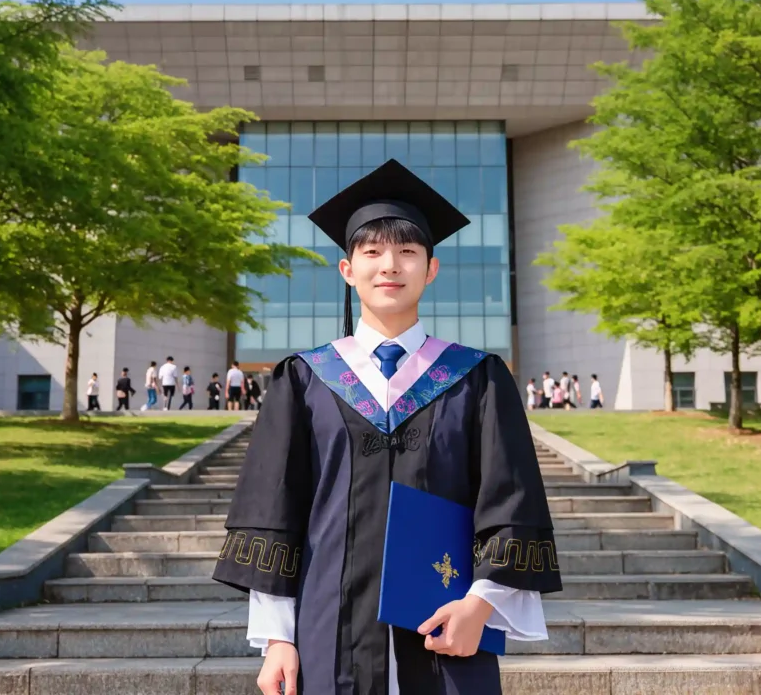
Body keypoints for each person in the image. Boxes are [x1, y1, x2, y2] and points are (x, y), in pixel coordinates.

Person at [213, 160, 561, 695]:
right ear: (347, 270)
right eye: (372, 252)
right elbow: (273, 508)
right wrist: (278, 638)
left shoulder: (478, 379)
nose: (389, 266)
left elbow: (510, 499)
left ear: (431, 269)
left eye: (407, 252)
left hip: (448, 625)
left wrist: (481, 604)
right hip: (327, 629)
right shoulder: (305, 380)